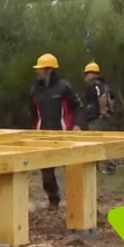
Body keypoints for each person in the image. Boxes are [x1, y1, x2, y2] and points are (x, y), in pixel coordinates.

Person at [28, 53, 85, 208]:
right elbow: (33, 112)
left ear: (49, 70)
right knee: (46, 172)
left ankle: (79, 202)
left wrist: (77, 124)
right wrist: (34, 129)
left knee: (73, 168)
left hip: (64, 134)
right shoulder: (34, 90)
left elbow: (78, 107)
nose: (37, 72)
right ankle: (54, 200)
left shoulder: (64, 87)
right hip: (43, 136)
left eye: (40, 69)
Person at [82, 62, 117, 175]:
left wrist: (102, 111)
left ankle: (106, 166)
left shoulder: (95, 85)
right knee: (103, 141)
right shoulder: (104, 85)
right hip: (103, 117)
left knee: (95, 141)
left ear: (92, 74)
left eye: (86, 74)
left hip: (96, 117)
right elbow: (112, 98)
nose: (85, 77)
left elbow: (101, 96)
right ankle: (99, 165)